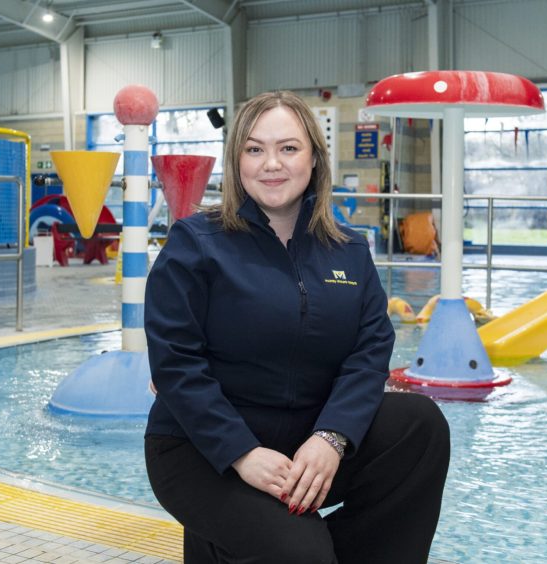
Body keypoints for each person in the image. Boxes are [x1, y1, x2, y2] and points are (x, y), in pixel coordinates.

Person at [144, 90, 450, 564]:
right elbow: (175, 363)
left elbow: (369, 351)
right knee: (300, 555)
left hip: (307, 445)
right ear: (237, 160)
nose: (272, 164)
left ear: (314, 158)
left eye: (288, 148)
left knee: (420, 426)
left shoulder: (347, 250)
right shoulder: (196, 244)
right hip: (204, 449)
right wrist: (241, 452)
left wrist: (333, 436)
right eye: (254, 149)